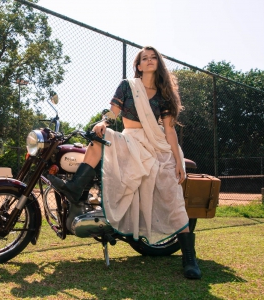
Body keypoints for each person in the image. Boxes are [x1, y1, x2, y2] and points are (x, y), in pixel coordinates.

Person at [48, 46, 201, 279]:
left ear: (158, 63)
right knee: (99, 137)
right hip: (131, 141)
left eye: (153, 58)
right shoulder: (127, 86)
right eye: (144, 58)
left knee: (172, 193)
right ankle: (76, 188)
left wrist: (178, 161)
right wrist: (103, 123)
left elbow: (169, 131)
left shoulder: (164, 95)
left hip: (156, 144)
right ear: (138, 66)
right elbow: (113, 112)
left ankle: (189, 257)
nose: (149, 61)